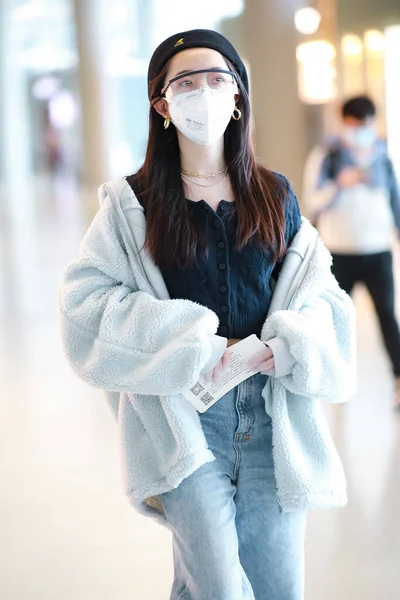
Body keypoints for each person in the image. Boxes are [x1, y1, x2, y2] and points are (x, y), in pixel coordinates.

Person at [60, 29, 356, 600]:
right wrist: (191, 341)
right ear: (162, 105)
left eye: (218, 80)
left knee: (276, 584)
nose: (205, 93)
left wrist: (289, 343)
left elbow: (323, 297)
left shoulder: (275, 193)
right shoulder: (133, 203)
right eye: (187, 83)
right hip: (186, 418)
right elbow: (84, 307)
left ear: (239, 96)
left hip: (273, 414)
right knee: (217, 585)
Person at [303, 95, 400, 409]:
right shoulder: (327, 156)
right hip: (339, 252)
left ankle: (399, 380)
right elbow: (311, 201)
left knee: (387, 316)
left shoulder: (383, 155)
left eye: (366, 123)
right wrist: (338, 185)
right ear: (343, 122)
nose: (361, 129)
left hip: (378, 251)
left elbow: (394, 200)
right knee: (333, 320)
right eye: (355, 124)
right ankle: (329, 380)